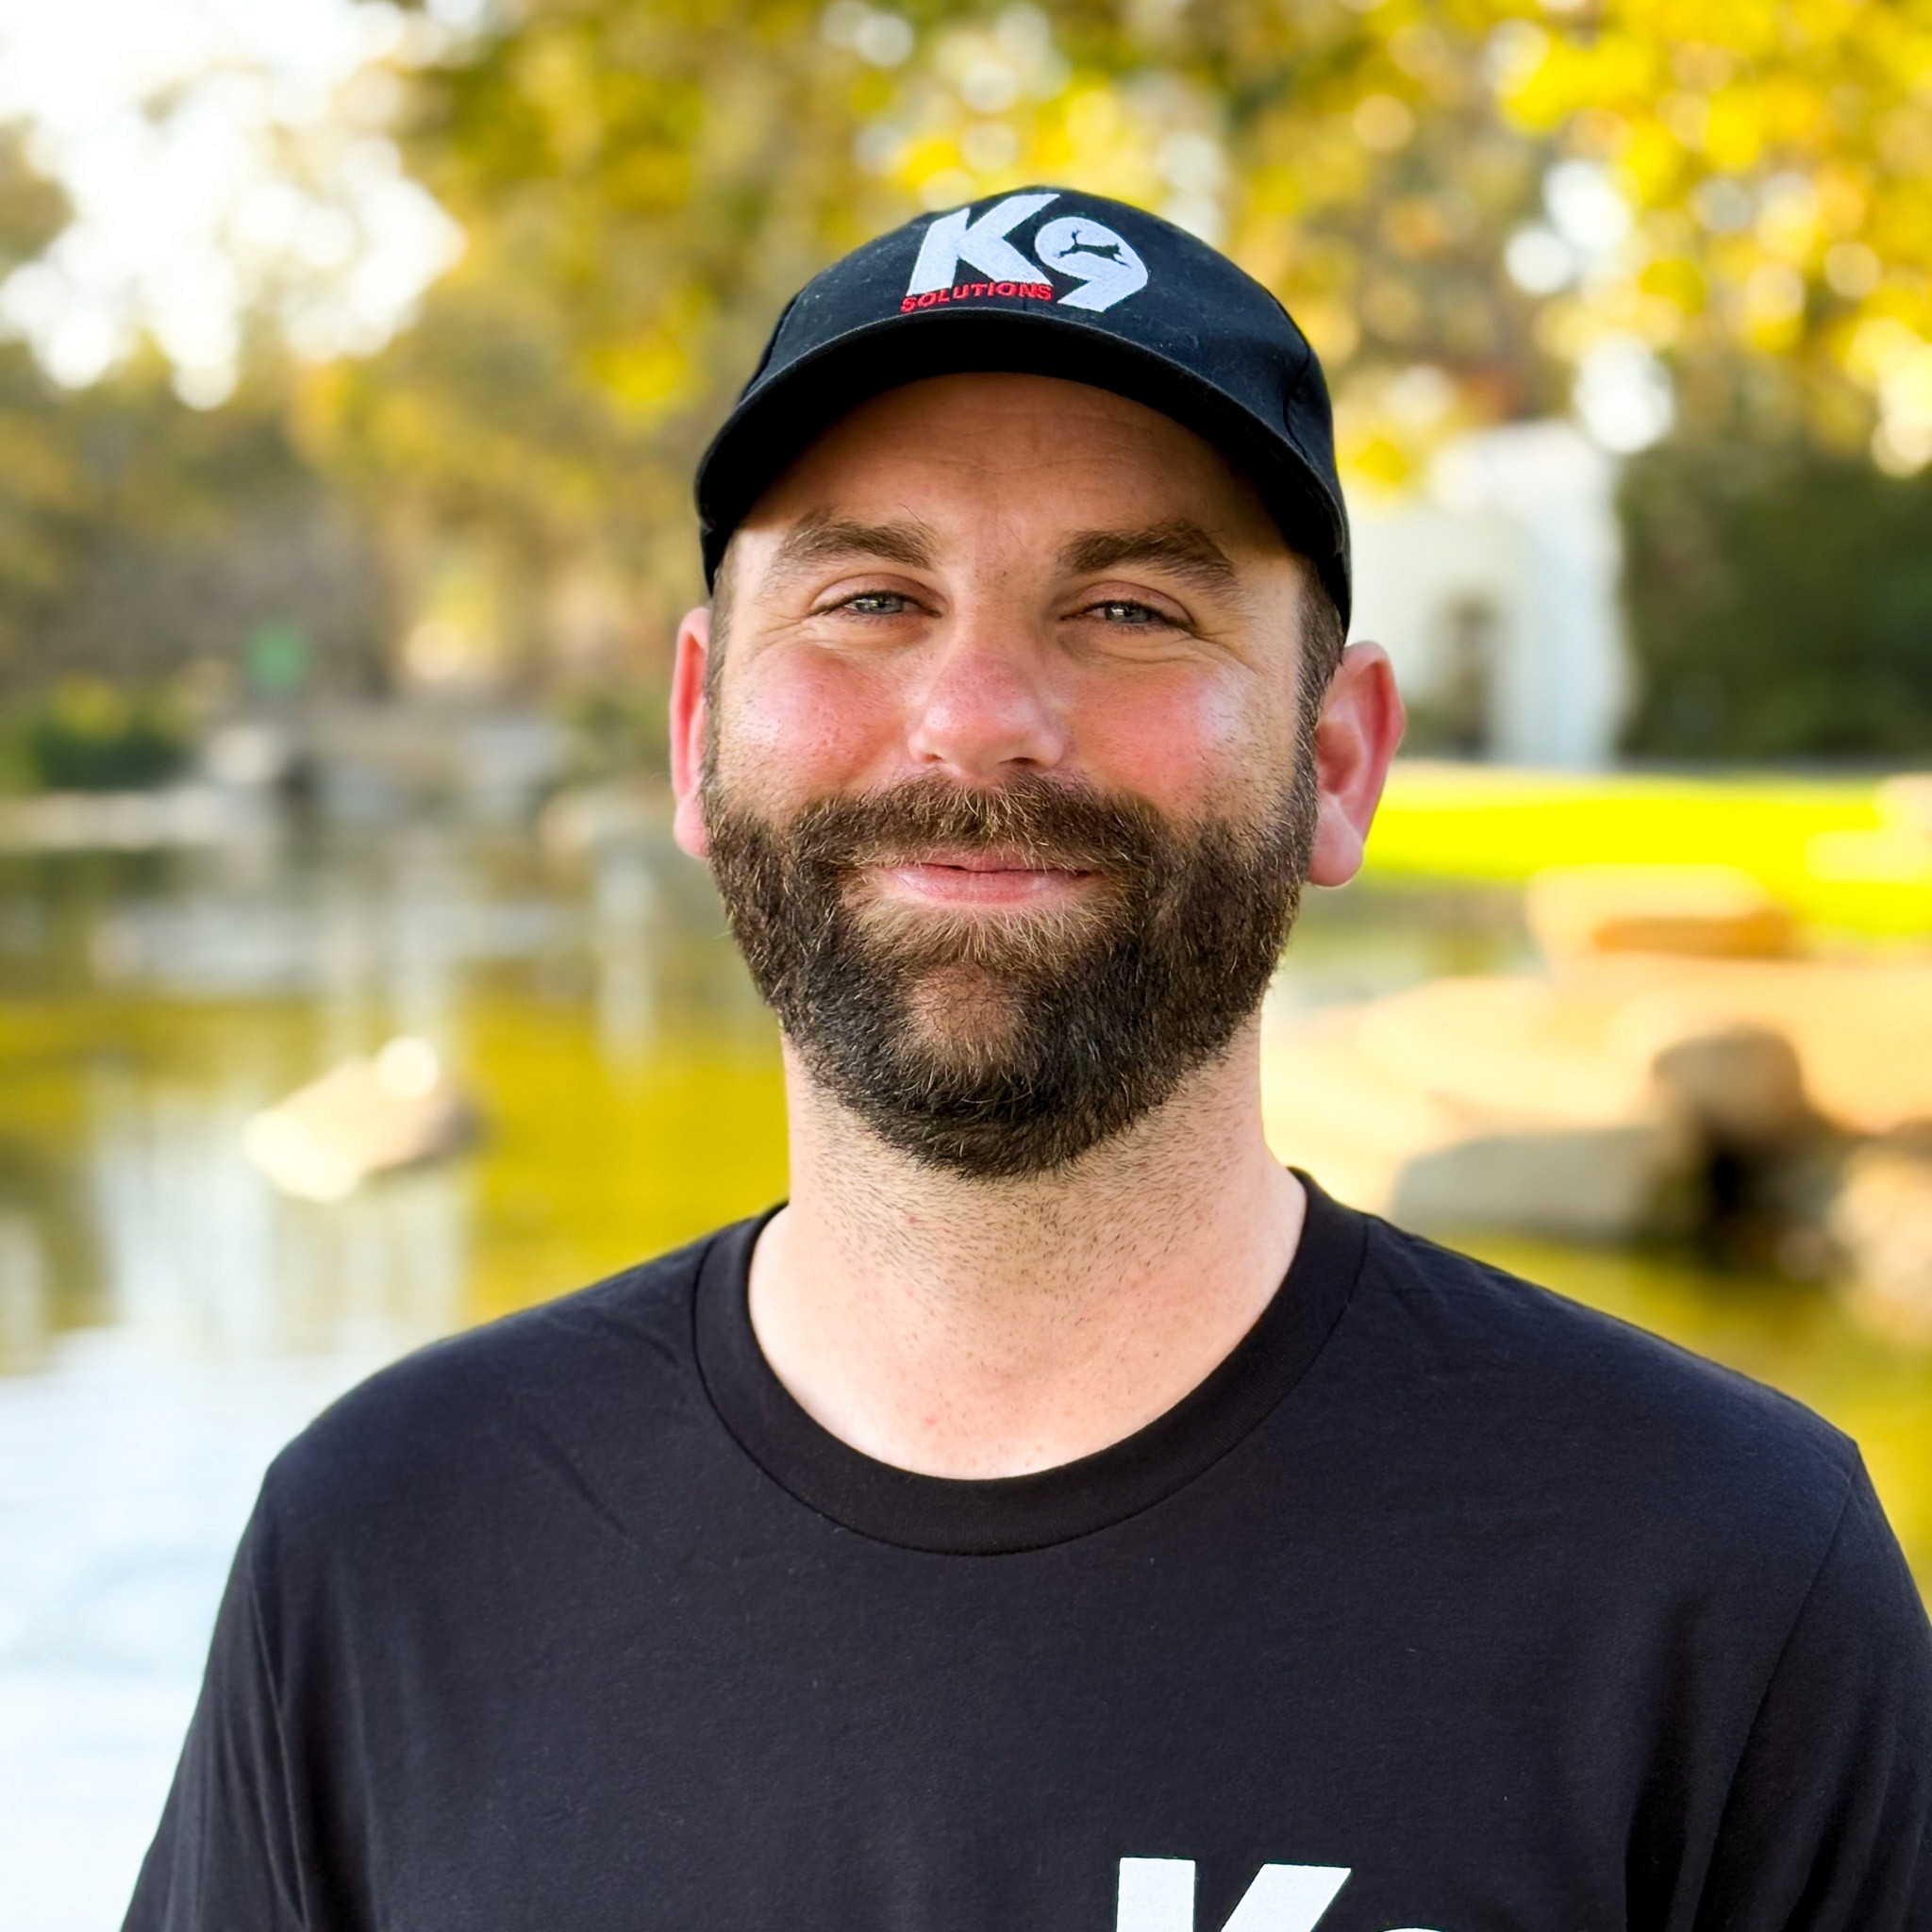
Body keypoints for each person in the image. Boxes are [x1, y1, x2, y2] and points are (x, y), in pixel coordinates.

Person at [126, 189, 1931, 1932]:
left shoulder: (1720, 1580)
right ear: (698, 729)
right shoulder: (389, 1548)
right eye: (870, 598)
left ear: (1337, 763)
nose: (980, 715)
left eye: (1131, 608)